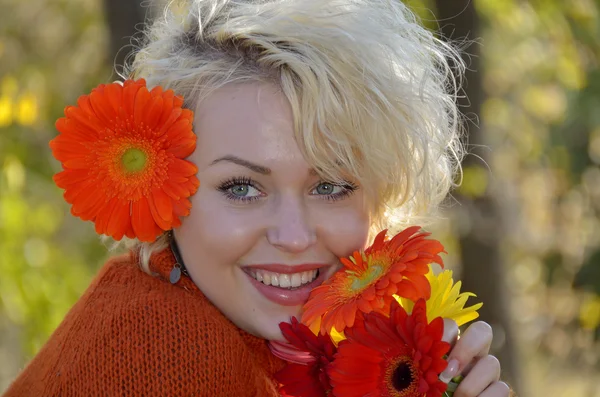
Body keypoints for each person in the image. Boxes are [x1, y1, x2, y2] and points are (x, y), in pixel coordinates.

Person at [4, 0, 511, 396]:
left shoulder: (275, 341)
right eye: (242, 188)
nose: (293, 237)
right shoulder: (161, 350)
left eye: (330, 186)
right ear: (167, 193)